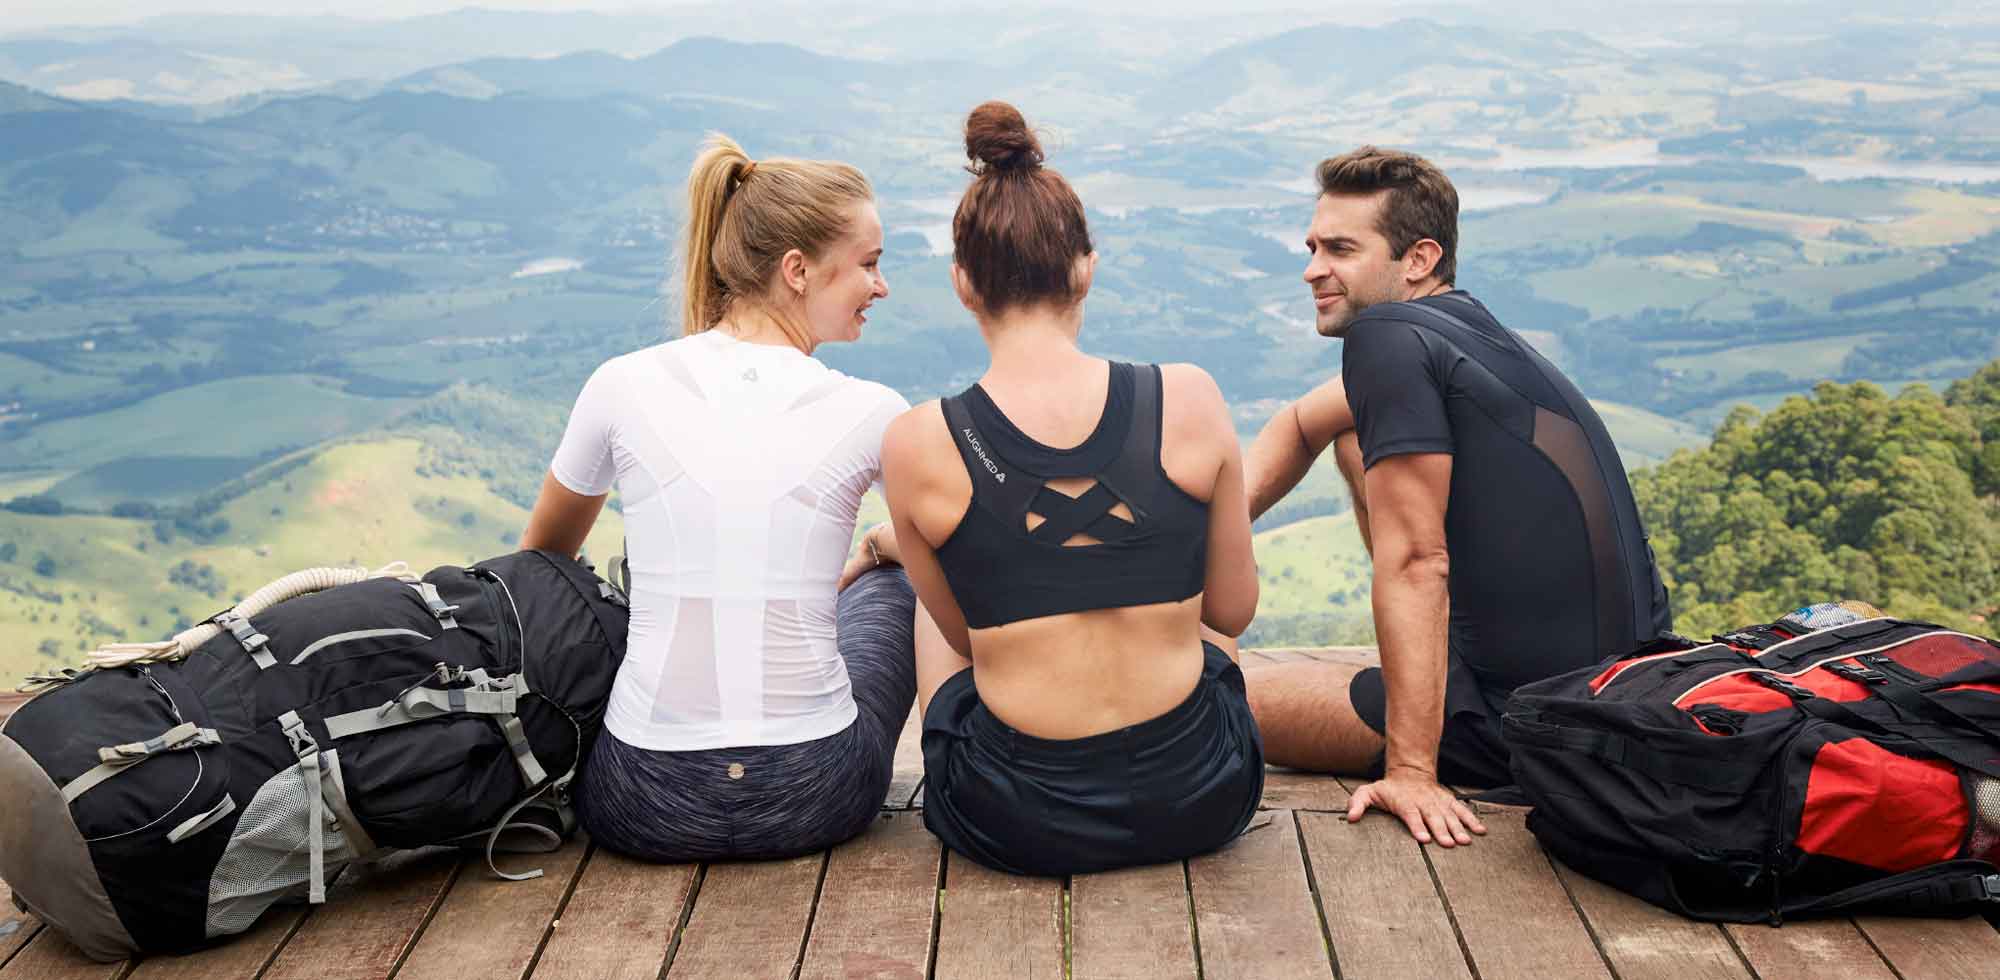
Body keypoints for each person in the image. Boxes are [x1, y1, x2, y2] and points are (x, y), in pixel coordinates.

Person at [863, 101, 1264, 877]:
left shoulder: (917, 442)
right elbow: (1232, 611)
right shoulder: (1190, 396)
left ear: (963, 284)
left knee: (932, 580)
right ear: (1086, 268)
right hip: (1200, 795)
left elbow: (964, 638)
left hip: (1018, 817)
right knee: (1200, 619)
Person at [1241, 146, 1673, 847]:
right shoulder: (1462, 329)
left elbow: (1418, 561)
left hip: (1522, 720)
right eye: (1313, 247)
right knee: (1353, 438)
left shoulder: (1386, 336)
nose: (1312, 268)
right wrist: (1192, 547)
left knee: (1205, 703)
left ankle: (1422, 722)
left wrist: (1412, 771)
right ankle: (1425, 674)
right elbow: (1300, 423)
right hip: (1619, 686)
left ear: (1418, 258)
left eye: (1340, 249)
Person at [518, 134, 918, 862]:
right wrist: (877, 548)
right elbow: (955, 558)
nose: (881, 286)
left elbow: (541, 561)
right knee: (895, 583)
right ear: (797, 270)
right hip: (818, 793)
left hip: (640, 801)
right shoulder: (875, 411)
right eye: (869, 263)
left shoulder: (620, 382)